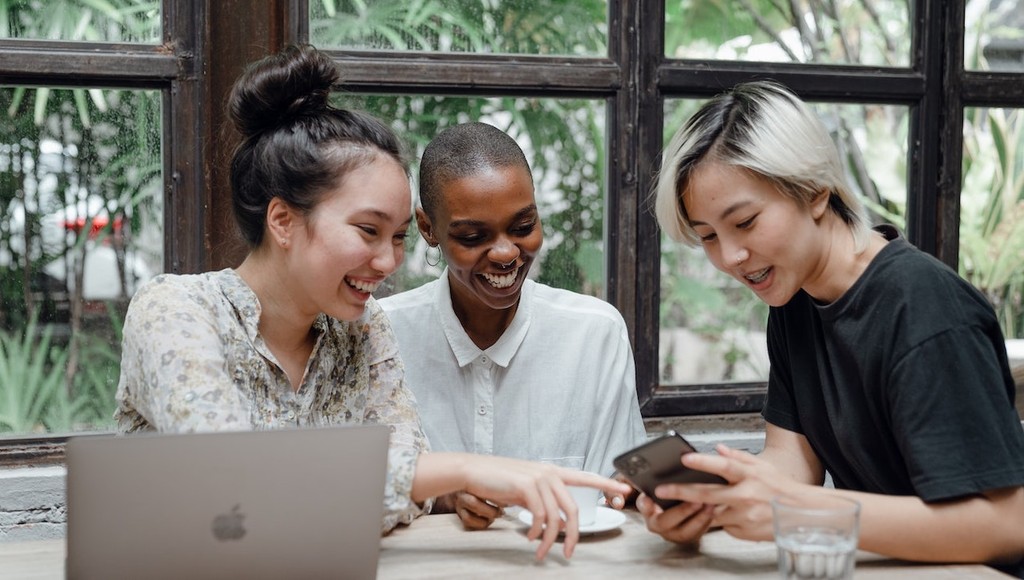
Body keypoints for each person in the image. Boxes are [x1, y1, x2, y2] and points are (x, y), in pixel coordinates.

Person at [113, 44, 630, 562]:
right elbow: (232, 485)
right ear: (283, 221)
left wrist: (404, 486)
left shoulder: (362, 330)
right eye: (368, 230)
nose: (388, 263)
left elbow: (405, 497)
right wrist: (464, 470)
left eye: (399, 236)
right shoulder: (176, 310)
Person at [647, 80, 1024, 576]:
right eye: (708, 237)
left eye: (745, 222)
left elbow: (1007, 525)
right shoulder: (794, 299)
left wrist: (796, 510)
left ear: (816, 191)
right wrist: (714, 502)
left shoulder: (925, 308)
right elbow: (793, 461)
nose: (731, 257)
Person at [378, 122, 648, 531]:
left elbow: (618, 492)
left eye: (523, 227)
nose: (506, 252)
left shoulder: (594, 334)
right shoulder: (383, 336)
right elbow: (352, 489)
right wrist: (444, 493)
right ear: (428, 228)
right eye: (472, 236)